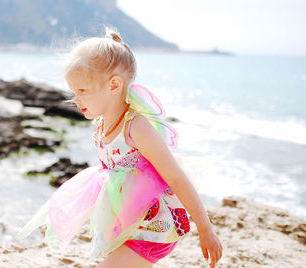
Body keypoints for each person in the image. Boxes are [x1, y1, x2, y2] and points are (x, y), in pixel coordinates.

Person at [17, 27, 223, 268]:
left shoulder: (136, 127)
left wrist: (206, 229)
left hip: (155, 227)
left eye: (82, 91)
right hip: (129, 221)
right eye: (74, 92)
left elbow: (177, 178)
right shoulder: (101, 123)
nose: (76, 100)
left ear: (114, 85)